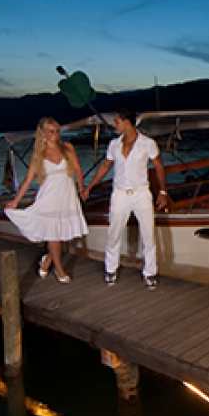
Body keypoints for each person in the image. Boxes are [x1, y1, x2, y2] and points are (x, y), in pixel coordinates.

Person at [81, 108, 167, 290]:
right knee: (114, 233)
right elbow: (105, 166)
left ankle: (150, 272)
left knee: (148, 235)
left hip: (141, 193)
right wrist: (89, 187)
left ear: (126, 122)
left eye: (116, 122)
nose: (114, 125)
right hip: (120, 194)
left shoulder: (147, 143)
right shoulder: (114, 144)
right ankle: (111, 269)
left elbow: (158, 167)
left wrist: (163, 192)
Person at [5, 118, 87, 283]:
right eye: (50, 131)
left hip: (67, 195)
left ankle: (47, 260)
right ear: (42, 133)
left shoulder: (67, 148)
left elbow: (77, 169)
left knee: (62, 233)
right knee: (54, 235)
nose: (54, 134)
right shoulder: (39, 154)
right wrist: (15, 201)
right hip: (49, 197)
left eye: (56, 131)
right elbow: (28, 180)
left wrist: (81, 187)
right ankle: (59, 270)